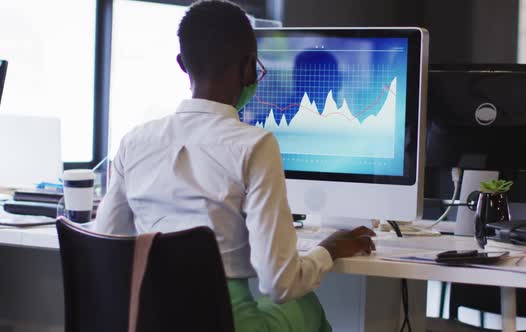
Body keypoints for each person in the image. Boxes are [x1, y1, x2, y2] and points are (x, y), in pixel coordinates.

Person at [94, 0, 376, 331]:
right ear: (248, 68)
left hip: (146, 319)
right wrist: (327, 250)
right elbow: (279, 284)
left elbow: (106, 246)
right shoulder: (254, 145)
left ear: (182, 64)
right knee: (304, 306)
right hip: (227, 322)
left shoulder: (134, 141)